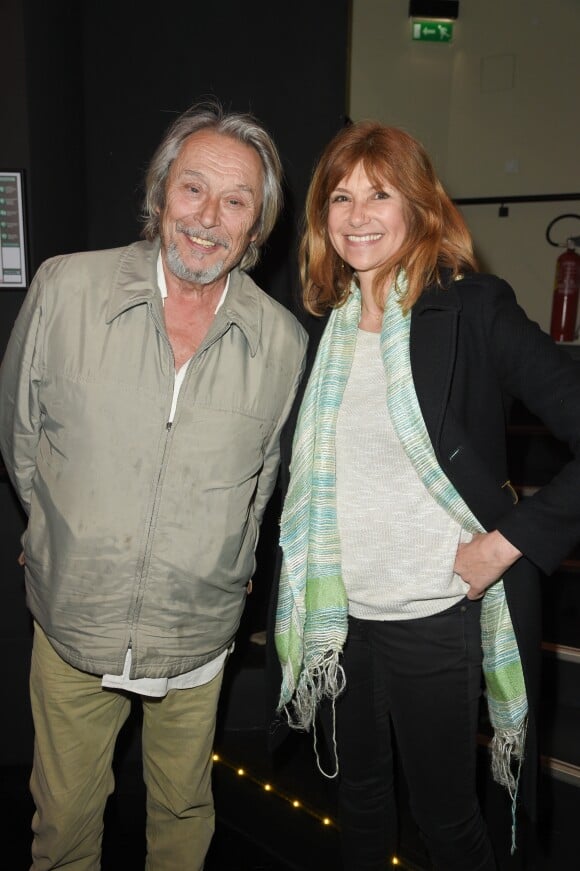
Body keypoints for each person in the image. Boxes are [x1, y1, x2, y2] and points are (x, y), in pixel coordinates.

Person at [0, 101, 307, 871]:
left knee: (182, 811)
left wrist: (234, 562)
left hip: (198, 626)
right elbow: (20, 431)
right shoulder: (66, 288)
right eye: (192, 189)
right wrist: (52, 533)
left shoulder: (283, 340)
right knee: (64, 822)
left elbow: (264, 474)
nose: (208, 218)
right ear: (160, 192)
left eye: (235, 201)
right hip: (76, 614)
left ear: (257, 225)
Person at [272, 120, 580, 871]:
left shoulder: (472, 307)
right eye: (339, 197)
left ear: (418, 204)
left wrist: (507, 542)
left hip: (434, 614)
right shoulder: (329, 329)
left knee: (447, 824)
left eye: (379, 193)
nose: (355, 214)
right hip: (344, 620)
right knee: (362, 804)